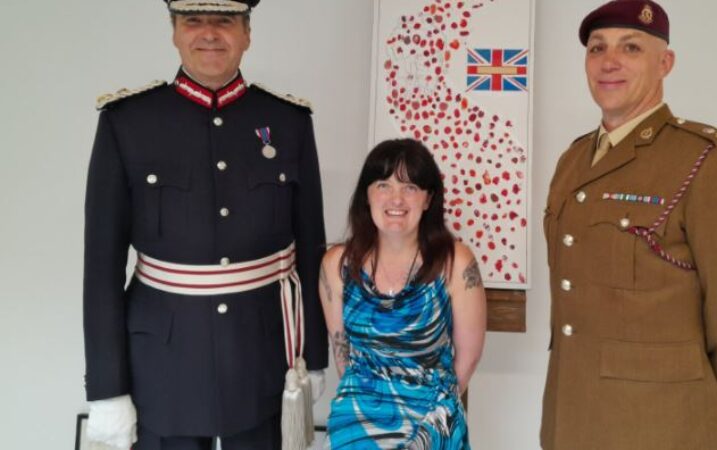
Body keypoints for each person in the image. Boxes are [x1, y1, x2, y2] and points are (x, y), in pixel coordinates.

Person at [82, 1, 328, 449]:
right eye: (193, 20)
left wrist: (313, 356)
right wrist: (107, 387)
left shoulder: (289, 123)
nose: (209, 33)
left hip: (262, 360)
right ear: (174, 31)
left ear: (247, 33)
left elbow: (311, 252)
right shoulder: (127, 123)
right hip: (163, 364)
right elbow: (100, 269)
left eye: (225, 20)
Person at [541, 1, 717, 449]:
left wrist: (678, 386)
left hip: (664, 426)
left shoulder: (706, 161)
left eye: (630, 48)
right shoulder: (572, 161)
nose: (609, 62)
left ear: (664, 63)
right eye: (597, 49)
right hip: (570, 421)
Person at [318, 139, 486, 449]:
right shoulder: (336, 265)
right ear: (366, 197)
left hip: (432, 414)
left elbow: (469, 357)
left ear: (428, 199)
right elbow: (343, 356)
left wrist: (436, 417)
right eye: (383, 185)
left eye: (410, 187)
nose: (396, 198)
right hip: (358, 415)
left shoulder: (456, 262)